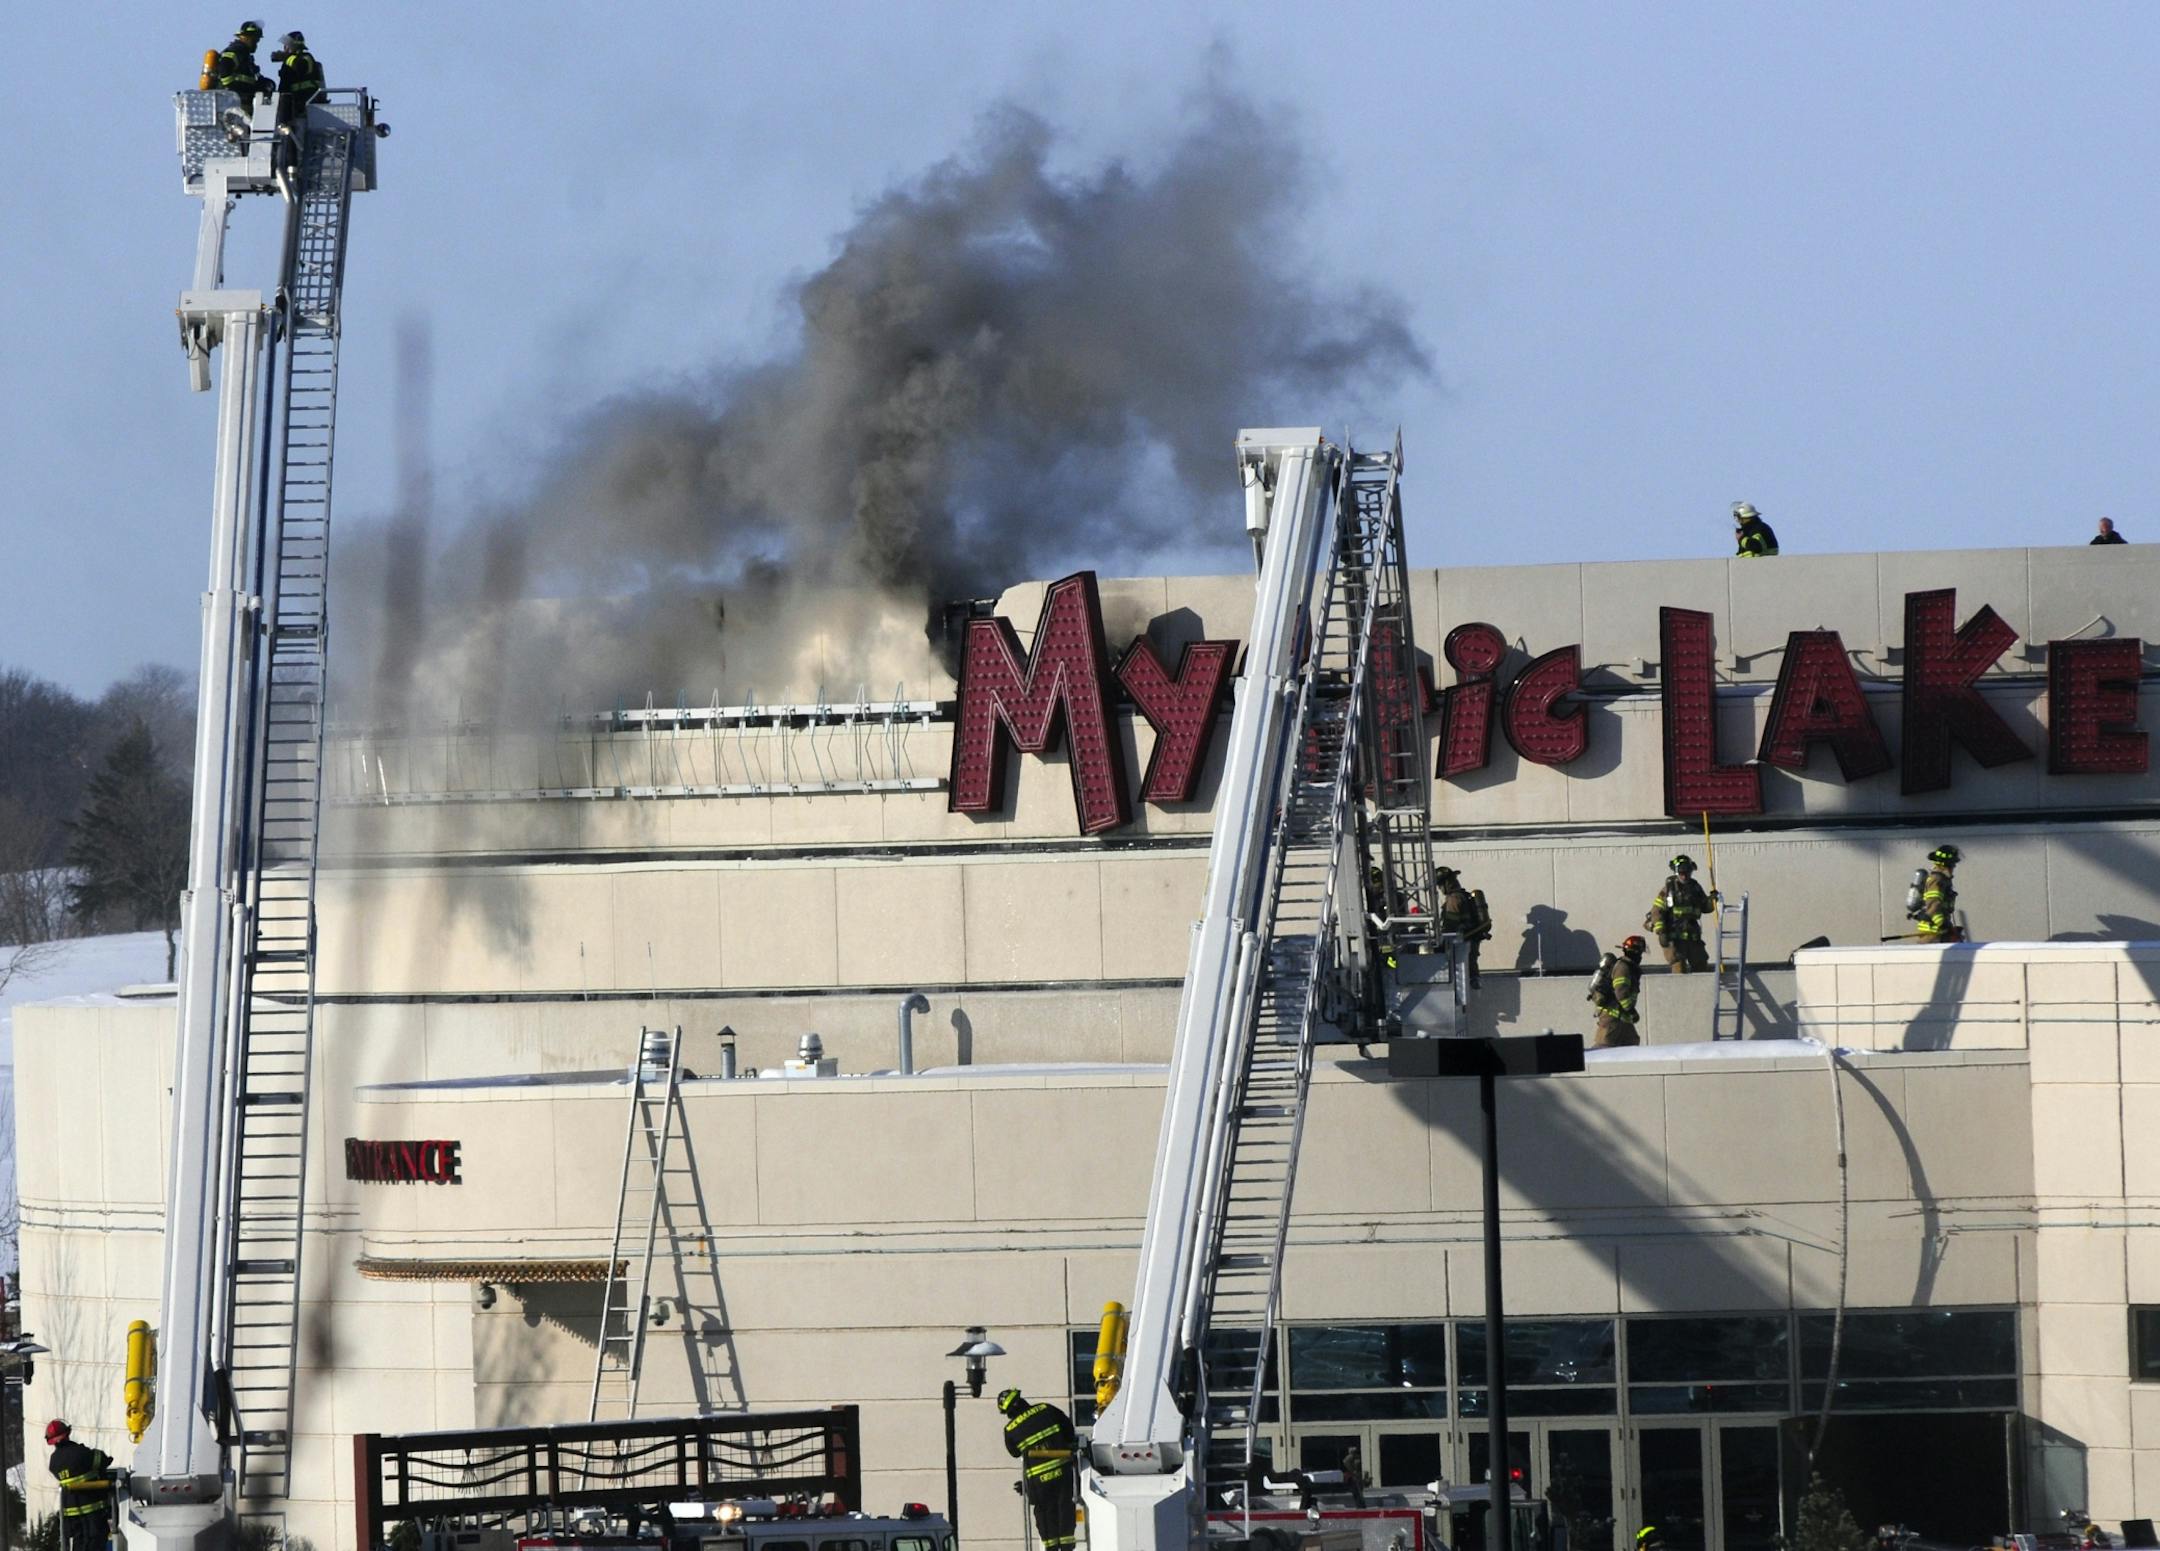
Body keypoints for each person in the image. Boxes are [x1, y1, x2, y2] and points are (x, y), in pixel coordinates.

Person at [998, 1388, 1078, 1551]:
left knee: (1045, 1515)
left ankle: (1051, 1547)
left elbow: (1014, 1453)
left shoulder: (1010, 1430)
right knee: (1065, 1508)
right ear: (1021, 1400)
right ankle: (1067, 1546)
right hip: (1062, 1471)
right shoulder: (1046, 1409)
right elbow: (1069, 1431)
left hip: (1038, 1482)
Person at [46, 1420, 113, 1551]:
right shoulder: (81, 1453)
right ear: (68, 1433)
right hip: (93, 1510)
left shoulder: (53, 1462)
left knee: (79, 1543)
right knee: (96, 1543)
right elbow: (103, 1459)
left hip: (71, 1514)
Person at [1646, 854, 1714, 974]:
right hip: (1674, 938)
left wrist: (1713, 900)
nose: (1684, 875)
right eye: (1682, 872)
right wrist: (1661, 932)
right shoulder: (1669, 888)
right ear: (1677, 872)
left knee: (1701, 966)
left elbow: (1706, 908)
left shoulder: (1695, 887)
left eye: (1687, 872)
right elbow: (1657, 911)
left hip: (1693, 937)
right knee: (1679, 968)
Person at [1436, 866, 1493, 988]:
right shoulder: (1463, 895)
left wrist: (1440, 945)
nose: (1440, 889)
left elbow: (1450, 926)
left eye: (1440, 885)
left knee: (1462, 974)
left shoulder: (1453, 899)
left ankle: (1473, 984)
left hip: (1463, 943)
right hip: (1471, 941)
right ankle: (1474, 981)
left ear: (1446, 883)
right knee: (1471, 966)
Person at [1589, 937, 1645, 1047]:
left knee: (1632, 1046)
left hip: (1623, 1018)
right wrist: (1631, 1010)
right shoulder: (1623, 967)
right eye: (1640, 952)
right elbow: (1621, 992)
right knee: (1603, 1049)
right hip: (1612, 1018)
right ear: (1635, 951)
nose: (1640, 956)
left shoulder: (1629, 967)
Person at [210, 21, 270, 107]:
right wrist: (237, 90)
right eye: (254, 40)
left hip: (239, 100)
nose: (256, 44)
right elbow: (224, 69)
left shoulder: (245, 55)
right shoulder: (237, 50)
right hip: (234, 101)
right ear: (246, 37)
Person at [1915, 844, 1963, 943]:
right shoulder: (1937, 880)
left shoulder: (1943, 880)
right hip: (1933, 933)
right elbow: (1933, 904)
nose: (1954, 867)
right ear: (1947, 865)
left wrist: (1949, 927)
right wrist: (1943, 924)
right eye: (1953, 864)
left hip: (1939, 930)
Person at [275, 30, 326, 106]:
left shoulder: (307, 58)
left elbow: (300, 67)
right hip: (292, 104)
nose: (284, 49)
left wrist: (285, 58)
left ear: (292, 46)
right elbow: (283, 86)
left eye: (286, 46)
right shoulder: (288, 63)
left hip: (307, 102)